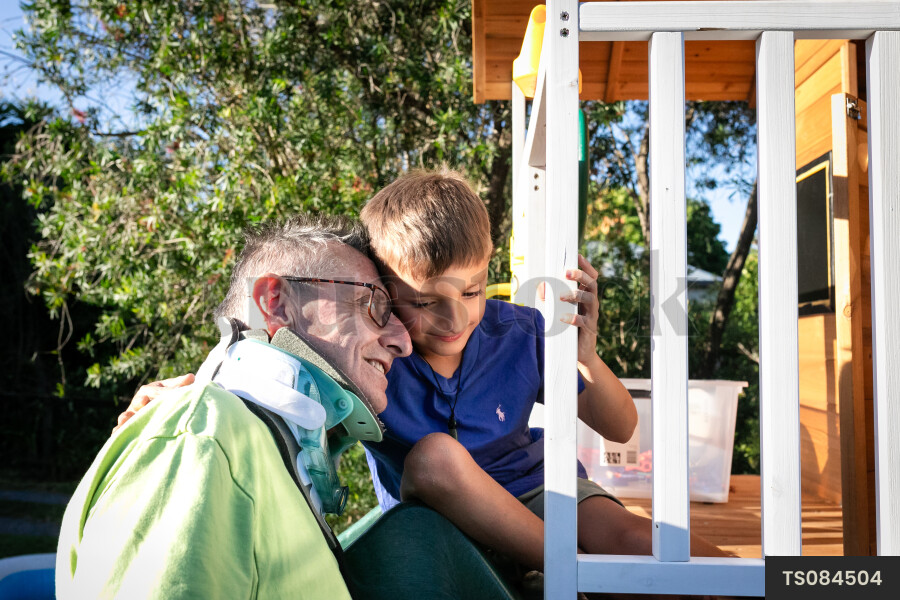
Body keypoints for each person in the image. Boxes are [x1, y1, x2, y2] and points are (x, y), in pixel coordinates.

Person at [358, 168, 730, 570]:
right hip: (438, 515)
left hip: (537, 488)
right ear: (384, 290)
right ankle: (576, 575)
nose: (455, 318)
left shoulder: (520, 331)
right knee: (435, 458)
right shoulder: (373, 354)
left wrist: (586, 358)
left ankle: (773, 586)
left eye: (471, 291)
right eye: (425, 303)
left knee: (638, 539)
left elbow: (622, 430)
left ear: (487, 268)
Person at [57, 215, 425, 599]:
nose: (403, 341)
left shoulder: (243, 446)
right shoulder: (202, 435)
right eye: (374, 305)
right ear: (276, 304)